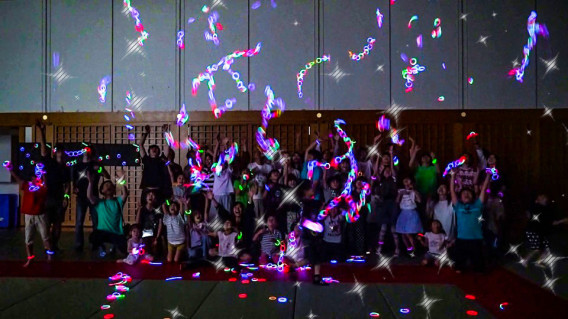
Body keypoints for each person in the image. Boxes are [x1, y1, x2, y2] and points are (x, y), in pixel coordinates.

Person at [5, 162, 52, 267]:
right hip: (29, 216)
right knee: (28, 239)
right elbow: (18, 179)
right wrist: (10, 170)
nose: (36, 179)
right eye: (34, 177)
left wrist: (43, 174)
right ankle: (30, 258)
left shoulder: (42, 187)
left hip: (40, 215)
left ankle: (49, 256)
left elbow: (46, 186)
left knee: (45, 236)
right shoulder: (27, 185)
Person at [37, 121, 70, 251]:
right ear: (55, 152)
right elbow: (44, 148)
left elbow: (67, 184)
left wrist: (66, 197)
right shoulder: (50, 162)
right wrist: (41, 131)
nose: (60, 153)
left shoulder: (65, 168)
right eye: (58, 151)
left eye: (62, 151)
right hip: (47, 198)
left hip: (58, 198)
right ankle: (49, 245)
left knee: (57, 224)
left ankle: (54, 245)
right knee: (46, 223)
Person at [450, 171, 490, 273]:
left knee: (479, 269)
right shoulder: (458, 206)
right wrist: (453, 175)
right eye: (464, 193)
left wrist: (488, 175)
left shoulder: (477, 205)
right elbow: (452, 191)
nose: (466, 194)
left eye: (468, 193)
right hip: (461, 239)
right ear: (461, 197)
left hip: (476, 239)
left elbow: (484, 189)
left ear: (473, 196)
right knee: (458, 268)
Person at [72, 146, 110, 252]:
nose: (86, 151)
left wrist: (100, 168)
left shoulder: (96, 165)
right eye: (84, 150)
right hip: (81, 197)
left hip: (93, 196)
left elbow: (107, 176)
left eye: (88, 150)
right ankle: (78, 245)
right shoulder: (77, 166)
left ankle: (96, 243)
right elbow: (74, 182)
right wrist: (74, 188)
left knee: (96, 222)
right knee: (79, 222)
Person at [87, 169, 128, 257]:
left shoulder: (118, 201)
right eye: (106, 185)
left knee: (124, 250)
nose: (108, 186)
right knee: (93, 237)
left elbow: (125, 194)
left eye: (110, 185)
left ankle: (113, 246)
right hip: (102, 232)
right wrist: (90, 182)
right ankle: (102, 247)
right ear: (102, 190)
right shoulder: (100, 202)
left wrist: (121, 180)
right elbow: (89, 196)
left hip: (116, 233)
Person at [524, 194, 568, 262]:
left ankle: (537, 261)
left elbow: (528, 213)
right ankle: (526, 261)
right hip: (534, 232)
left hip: (535, 231)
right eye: (543, 198)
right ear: (539, 200)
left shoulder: (539, 208)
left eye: (545, 198)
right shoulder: (542, 209)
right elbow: (553, 223)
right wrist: (563, 220)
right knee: (537, 249)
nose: (545, 199)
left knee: (544, 248)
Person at [139, 125, 171, 205]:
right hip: (147, 190)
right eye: (152, 148)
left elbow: (168, 145)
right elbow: (140, 145)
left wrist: (165, 132)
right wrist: (146, 133)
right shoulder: (146, 159)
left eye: (156, 148)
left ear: (159, 152)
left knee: (159, 213)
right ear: (149, 151)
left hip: (159, 190)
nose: (154, 149)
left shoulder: (162, 159)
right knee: (144, 212)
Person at [375, 166, 400, 256]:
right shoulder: (380, 182)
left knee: (394, 229)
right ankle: (380, 247)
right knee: (383, 229)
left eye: (389, 170)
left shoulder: (394, 180)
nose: (387, 172)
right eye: (386, 170)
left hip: (392, 204)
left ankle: (397, 248)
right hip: (383, 205)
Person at [395, 177, 423, 257]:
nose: (407, 183)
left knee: (408, 233)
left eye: (409, 182)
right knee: (403, 233)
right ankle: (409, 248)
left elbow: (420, 200)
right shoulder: (400, 191)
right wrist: (400, 194)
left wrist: (413, 190)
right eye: (405, 181)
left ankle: (414, 249)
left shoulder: (414, 191)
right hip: (403, 213)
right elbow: (397, 201)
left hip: (411, 213)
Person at [135, 191, 162, 256]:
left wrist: (157, 238)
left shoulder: (157, 210)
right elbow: (137, 223)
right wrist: (139, 209)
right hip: (143, 235)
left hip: (153, 235)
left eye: (152, 195)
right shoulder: (142, 209)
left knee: (155, 253)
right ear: (145, 198)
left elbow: (160, 224)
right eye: (149, 195)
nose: (150, 196)